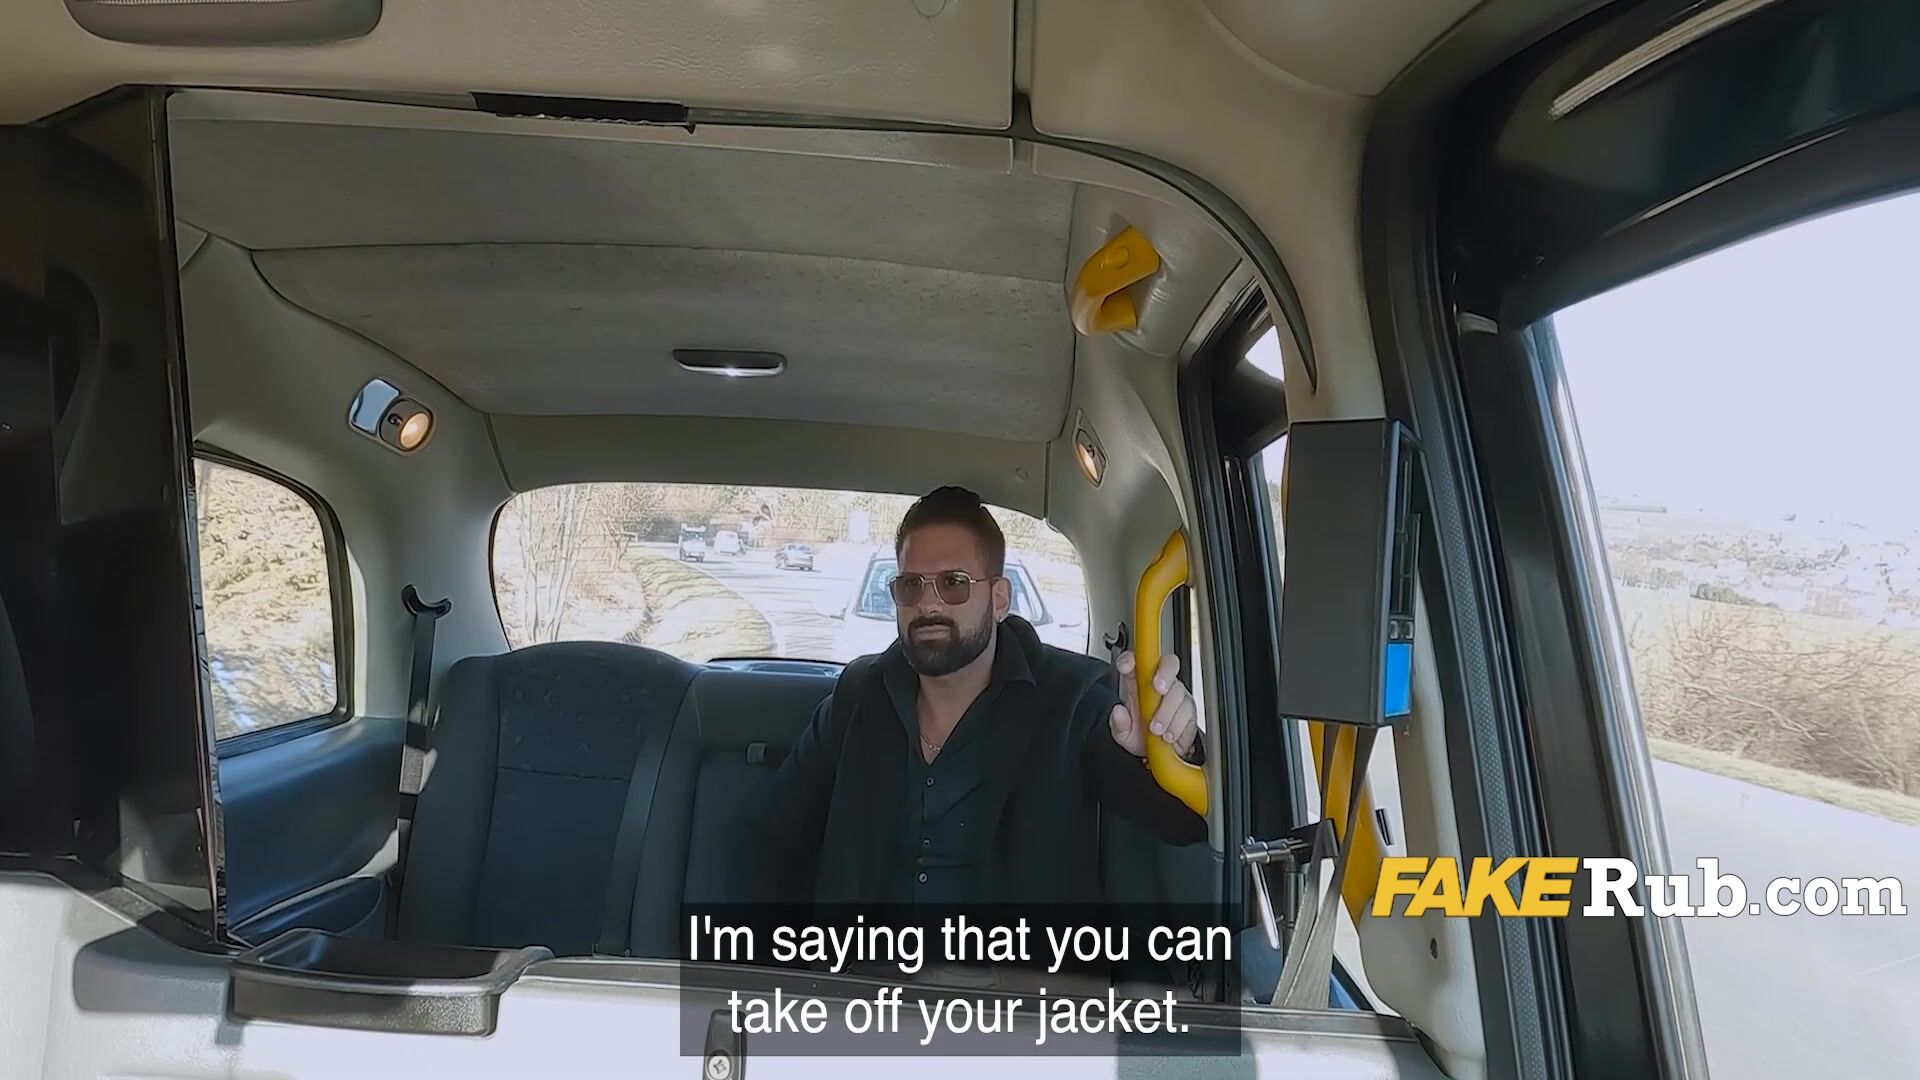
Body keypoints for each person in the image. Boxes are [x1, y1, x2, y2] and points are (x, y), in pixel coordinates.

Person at [763, 485, 1206, 906]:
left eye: (954, 582)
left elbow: (1183, 823)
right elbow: (783, 830)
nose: (928, 604)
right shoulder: (859, 695)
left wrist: (1175, 748)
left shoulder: (1076, 700)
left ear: (999, 599)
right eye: (911, 585)